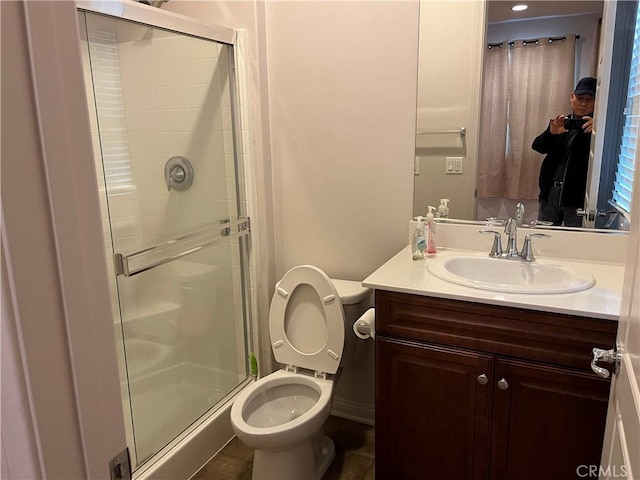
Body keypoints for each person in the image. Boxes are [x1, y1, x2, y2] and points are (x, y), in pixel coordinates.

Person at [532, 77, 596, 227]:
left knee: (573, 243)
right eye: (580, 98)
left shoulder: (598, 128)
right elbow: (538, 146)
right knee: (544, 238)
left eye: (589, 99)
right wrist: (552, 133)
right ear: (571, 97)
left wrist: (597, 132)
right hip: (550, 193)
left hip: (576, 199)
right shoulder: (562, 122)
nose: (584, 103)